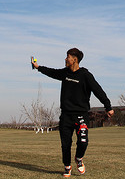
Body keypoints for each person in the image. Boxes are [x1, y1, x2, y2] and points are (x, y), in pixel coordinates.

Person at [31, 48, 114, 177]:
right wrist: (38, 67)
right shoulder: (65, 73)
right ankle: (67, 167)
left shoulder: (85, 75)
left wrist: (108, 106)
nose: (65, 59)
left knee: (83, 141)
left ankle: (79, 159)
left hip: (81, 115)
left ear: (74, 59)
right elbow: (52, 72)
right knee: (65, 144)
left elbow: (98, 90)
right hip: (66, 115)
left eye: (67, 57)